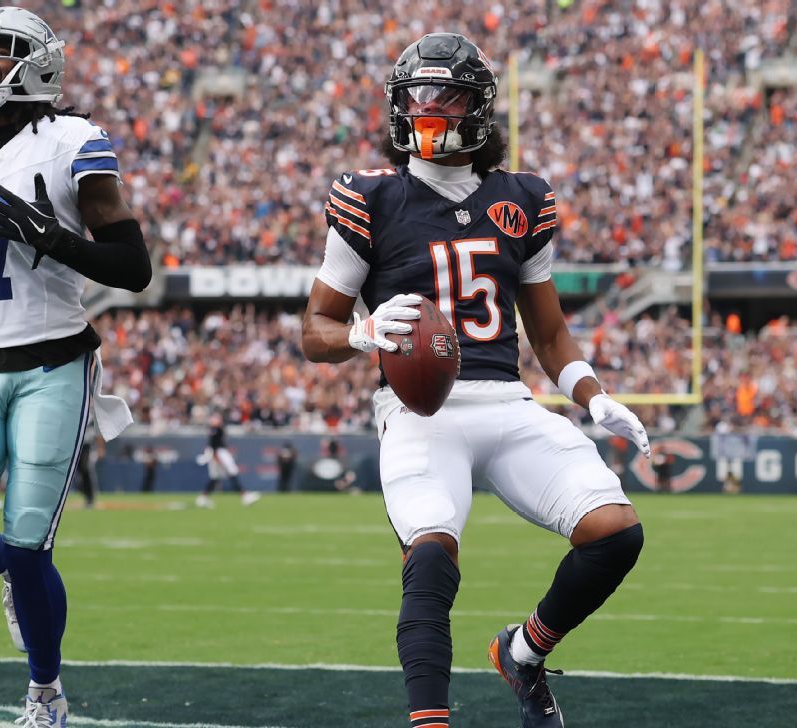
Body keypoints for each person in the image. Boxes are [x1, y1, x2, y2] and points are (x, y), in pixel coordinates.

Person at [300, 33, 650, 728]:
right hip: (420, 413)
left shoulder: (521, 198)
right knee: (431, 560)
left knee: (616, 532)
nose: (429, 110)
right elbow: (316, 329)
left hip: (508, 401)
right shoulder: (370, 195)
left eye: (446, 96)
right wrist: (362, 334)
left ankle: (523, 651)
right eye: (416, 97)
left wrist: (593, 394)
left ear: (479, 107)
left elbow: (548, 333)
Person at [0, 7, 148, 725]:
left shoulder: (74, 140)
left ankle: (46, 693)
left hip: (53, 362)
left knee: (30, 539)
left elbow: (133, 268)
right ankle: (10, 571)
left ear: (39, 64)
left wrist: (50, 235)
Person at [195, 414, 261, 508]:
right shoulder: (215, 430)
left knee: (216, 477)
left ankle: (203, 498)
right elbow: (213, 446)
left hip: (218, 453)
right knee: (231, 472)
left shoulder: (218, 429)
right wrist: (216, 458)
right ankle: (245, 496)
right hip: (218, 453)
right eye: (216, 419)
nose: (219, 420)